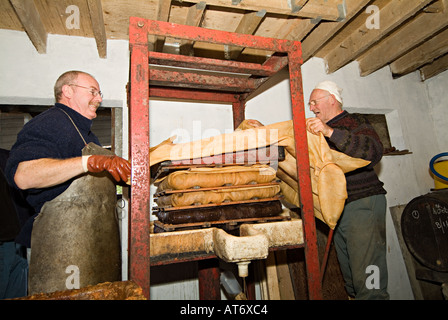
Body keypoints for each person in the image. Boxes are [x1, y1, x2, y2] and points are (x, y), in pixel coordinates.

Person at [5, 70, 131, 294]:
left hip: (90, 243)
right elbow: (23, 176)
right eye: (93, 91)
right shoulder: (50, 123)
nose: (99, 99)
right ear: (67, 91)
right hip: (56, 248)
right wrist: (89, 162)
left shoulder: (87, 134)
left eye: (99, 93)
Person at [306, 80, 389, 300]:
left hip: (363, 203)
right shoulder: (319, 133)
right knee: (352, 278)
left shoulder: (354, 122)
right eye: (310, 104)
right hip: (340, 208)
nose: (312, 107)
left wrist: (330, 132)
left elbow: (373, 151)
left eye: (315, 102)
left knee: (369, 280)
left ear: (331, 99)